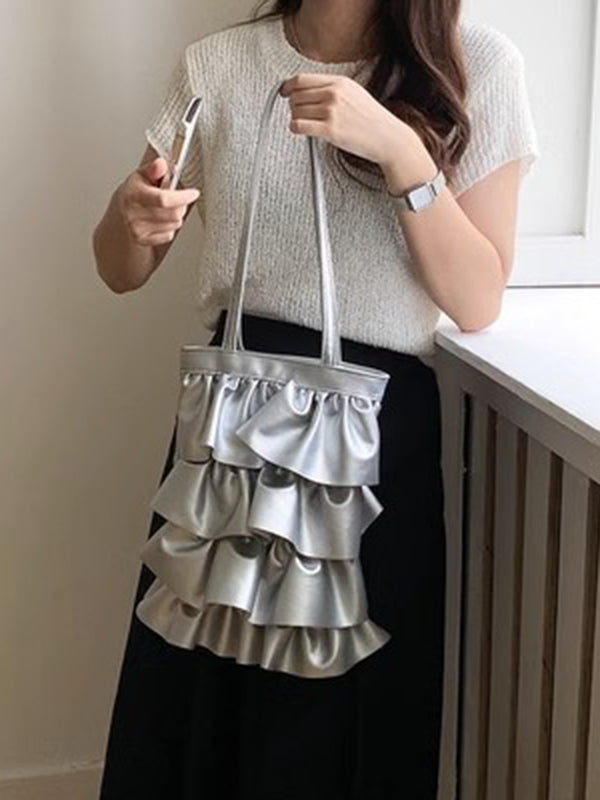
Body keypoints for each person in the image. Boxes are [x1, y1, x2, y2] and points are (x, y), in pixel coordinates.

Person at [92, 1, 540, 797]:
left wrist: (402, 153)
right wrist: (132, 220)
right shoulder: (218, 66)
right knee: (201, 694)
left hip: (368, 439)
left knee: (340, 716)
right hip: (230, 425)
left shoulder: (477, 64)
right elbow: (119, 269)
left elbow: (477, 300)